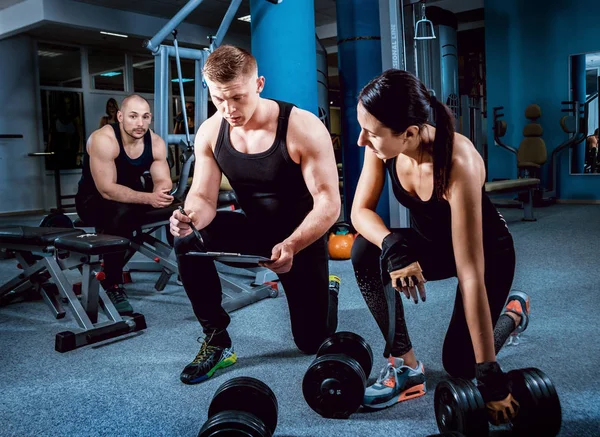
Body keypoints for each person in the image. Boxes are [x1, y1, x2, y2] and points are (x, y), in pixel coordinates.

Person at [349, 69, 531, 425]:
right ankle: (405, 365)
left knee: (462, 366)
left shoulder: (456, 162)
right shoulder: (382, 143)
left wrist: (490, 375)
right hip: (432, 246)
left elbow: (471, 272)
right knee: (365, 250)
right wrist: (393, 247)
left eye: (370, 133)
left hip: (486, 255)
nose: (360, 140)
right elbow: (359, 211)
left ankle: (512, 314)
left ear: (411, 133)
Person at [169, 45, 341, 385]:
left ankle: (328, 291)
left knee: (311, 342)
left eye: (237, 97)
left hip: (301, 239)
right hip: (255, 230)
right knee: (186, 238)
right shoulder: (211, 131)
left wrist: (292, 244)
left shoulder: (301, 127)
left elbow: (328, 203)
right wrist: (189, 216)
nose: (228, 109)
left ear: (259, 84)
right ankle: (217, 339)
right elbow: (203, 196)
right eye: (219, 98)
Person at [76, 94, 174, 315]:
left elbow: (163, 179)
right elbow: (107, 189)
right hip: (93, 201)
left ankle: (185, 265)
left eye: (145, 117)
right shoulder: (103, 139)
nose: (140, 123)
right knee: (121, 212)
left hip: (133, 197)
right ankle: (112, 283)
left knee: (174, 207)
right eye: (133, 116)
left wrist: (161, 193)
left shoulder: (155, 142)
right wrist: (149, 198)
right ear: (120, 116)